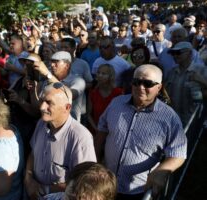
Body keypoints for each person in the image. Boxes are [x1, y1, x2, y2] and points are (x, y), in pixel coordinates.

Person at [95, 65, 187, 199]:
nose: (140, 87)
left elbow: (178, 152)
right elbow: (101, 132)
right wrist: (95, 161)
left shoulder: (169, 118)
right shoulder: (116, 103)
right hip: (106, 184)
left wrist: (162, 171)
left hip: (138, 191)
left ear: (159, 87)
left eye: (148, 83)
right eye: (136, 82)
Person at [24, 83, 96, 199]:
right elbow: (33, 153)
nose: (42, 107)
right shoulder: (41, 124)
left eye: (49, 103)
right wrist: (28, 178)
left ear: (67, 108)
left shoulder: (81, 137)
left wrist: (44, 189)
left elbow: (84, 182)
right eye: (42, 101)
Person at [33, 51, 86, 122]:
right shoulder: (47, 81)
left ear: (67, 65)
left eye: (56, 62)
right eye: (51, 62)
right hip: (48, 124)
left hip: (69, 126)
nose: (52, 65)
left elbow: (68, 96)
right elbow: (39, 105)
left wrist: (48, 74)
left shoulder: (78, 81)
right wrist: (33, 90)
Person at [165, 41, 207, 126]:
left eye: (178, 52)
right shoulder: (172, 72)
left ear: (190, 53)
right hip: (173, 120)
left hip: (194, 121)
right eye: (173, 53)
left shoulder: (201, 70)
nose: (175, 56)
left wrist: (201, 80)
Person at [87, 64, 123, 135]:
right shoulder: (93, 93)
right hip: (95, 131)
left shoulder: (119, 93)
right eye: (98, 73)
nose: (100, 75)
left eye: (104, 73)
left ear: (111, 76)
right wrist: (97, 129)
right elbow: (88, 115)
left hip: (113, 132)